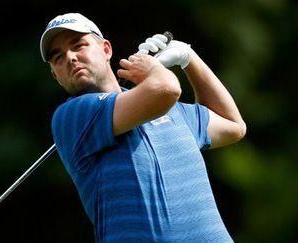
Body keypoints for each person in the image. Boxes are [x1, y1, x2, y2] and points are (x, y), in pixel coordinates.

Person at [39, 12, 246, 243]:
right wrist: (154, 70)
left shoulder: (173, 110)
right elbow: (165, 89)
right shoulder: (72, 116)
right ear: (55, 76)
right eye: (58, 57)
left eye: (79, 45)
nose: (70, 58)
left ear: (106, 50)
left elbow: (233, 125)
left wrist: (188, 57)